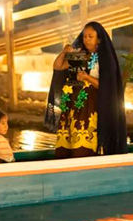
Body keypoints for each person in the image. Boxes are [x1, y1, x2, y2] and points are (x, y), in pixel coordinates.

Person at [45, 21, 128, 158]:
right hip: (74, 104)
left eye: (90, 37)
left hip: (92, 104)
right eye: (84, 36)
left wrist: (87, 77)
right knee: (68, 142)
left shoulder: (105, 58)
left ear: (98, 39)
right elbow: (58, 67)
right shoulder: (80, 55)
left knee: (84, 143)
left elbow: (108, 86)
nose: (86, 40)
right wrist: (64, 52)